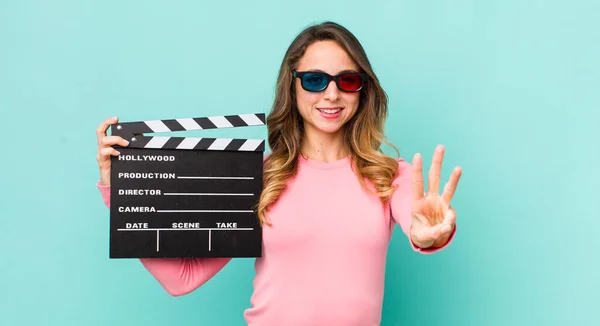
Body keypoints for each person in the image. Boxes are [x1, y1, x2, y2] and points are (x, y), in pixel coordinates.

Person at [95, 21, 462, 326]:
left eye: (347, 80)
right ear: (293, 84)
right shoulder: (255, 178)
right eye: (315, 80)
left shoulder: (387, 176)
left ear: (362, 90)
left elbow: (417, 220)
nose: (331, 94)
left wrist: (427, 232)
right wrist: (120, 192)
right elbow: (181, 278)